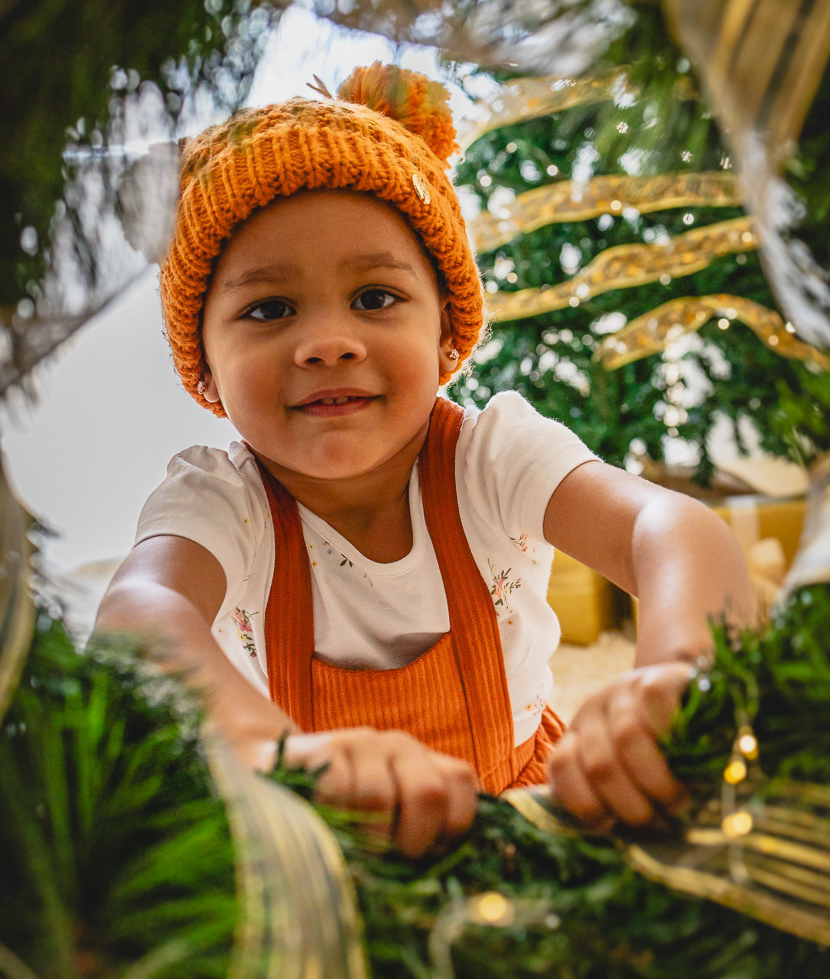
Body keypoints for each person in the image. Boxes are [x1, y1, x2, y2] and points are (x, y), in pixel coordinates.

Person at [96, 62, 756, 857]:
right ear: (202, 367)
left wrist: (680, 674)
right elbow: (139, 618)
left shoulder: (492, 454)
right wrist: (269, 755)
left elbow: (666, 525)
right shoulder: (219, 499)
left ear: (447, 333)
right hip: (320, 835)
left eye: (375, 297)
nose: (328, 341)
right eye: (269, 309)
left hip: (524, 808)